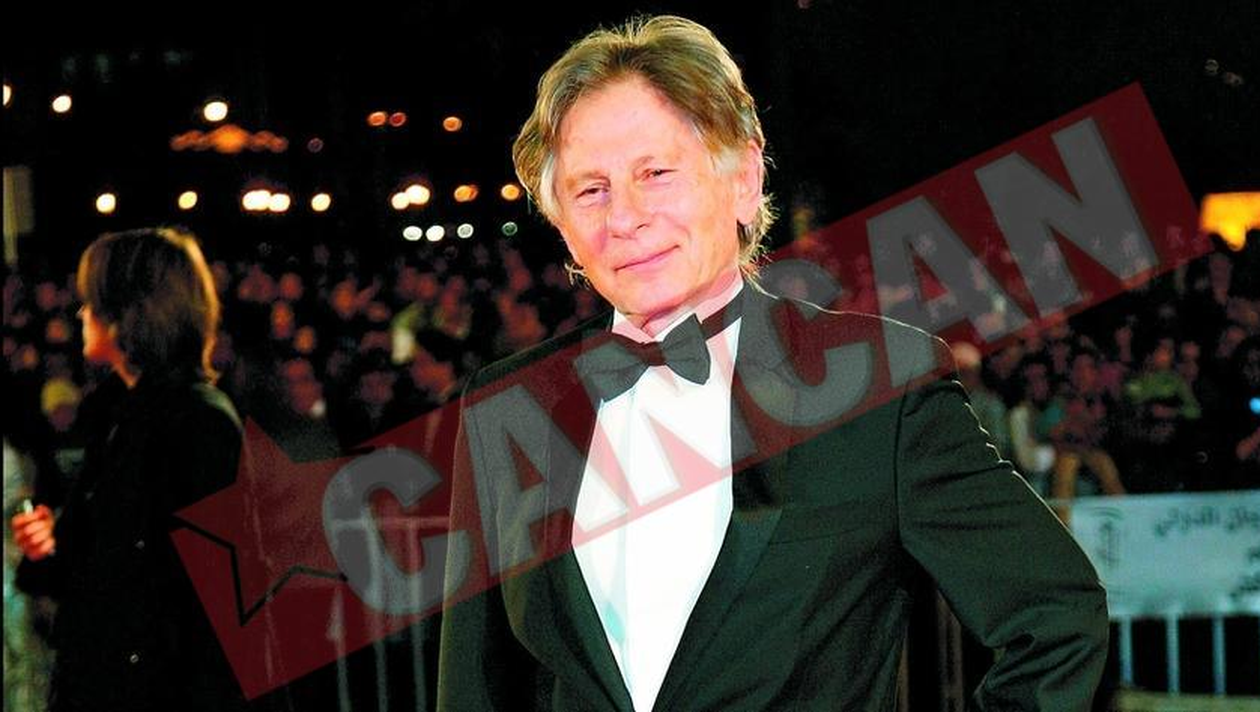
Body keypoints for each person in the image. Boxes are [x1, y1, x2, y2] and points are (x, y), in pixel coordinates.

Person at [438, 15, 1107, 711]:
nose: (625, 217)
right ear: (563, 225)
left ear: (744, 179)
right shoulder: (508, 407)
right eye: (591, 189)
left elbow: (1055, 618)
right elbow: (473, 684)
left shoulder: (883, 386)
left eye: (656, 173)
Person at [9, 227, 249, 711]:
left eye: (92, 301)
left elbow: (209, 599)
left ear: (128, 312)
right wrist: (52, 544)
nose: (82, 314)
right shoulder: (115, 414)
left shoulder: (196, 420)